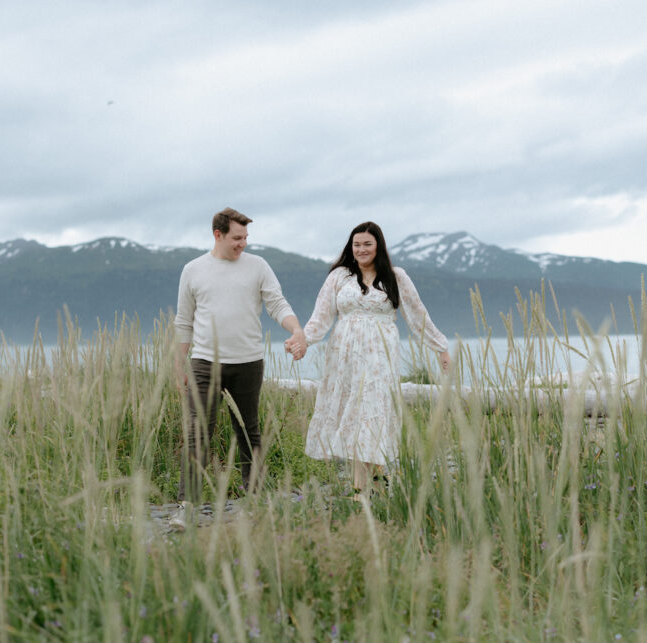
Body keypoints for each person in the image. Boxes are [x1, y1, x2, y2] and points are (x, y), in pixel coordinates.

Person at [171, 207, 307, 528]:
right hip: (204, 364)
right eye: (236, 238)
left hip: (248, 362)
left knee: (248, 433)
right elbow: (183, 321)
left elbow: (277, 303)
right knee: (197, 434)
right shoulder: (193, 270)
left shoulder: (258, 266)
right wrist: (180, 366)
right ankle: (188, 506)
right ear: (217, 235)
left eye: (246, 237)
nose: (242, 244)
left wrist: (296, 329)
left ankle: (254, 502)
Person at [302, 221, 451, 499]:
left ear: (378, 246)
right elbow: (320, 317)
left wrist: (440, 347)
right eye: (356, 244)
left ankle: (360, 489)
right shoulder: (339, 277)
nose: (361, 249)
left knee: (370, 411)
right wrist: (302, 341)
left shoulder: (396, 276)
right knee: (354, 411)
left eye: (367, 244)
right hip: (344, 356)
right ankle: (378, 475)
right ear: (351, 247)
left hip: (380, 355)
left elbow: (418, 315)